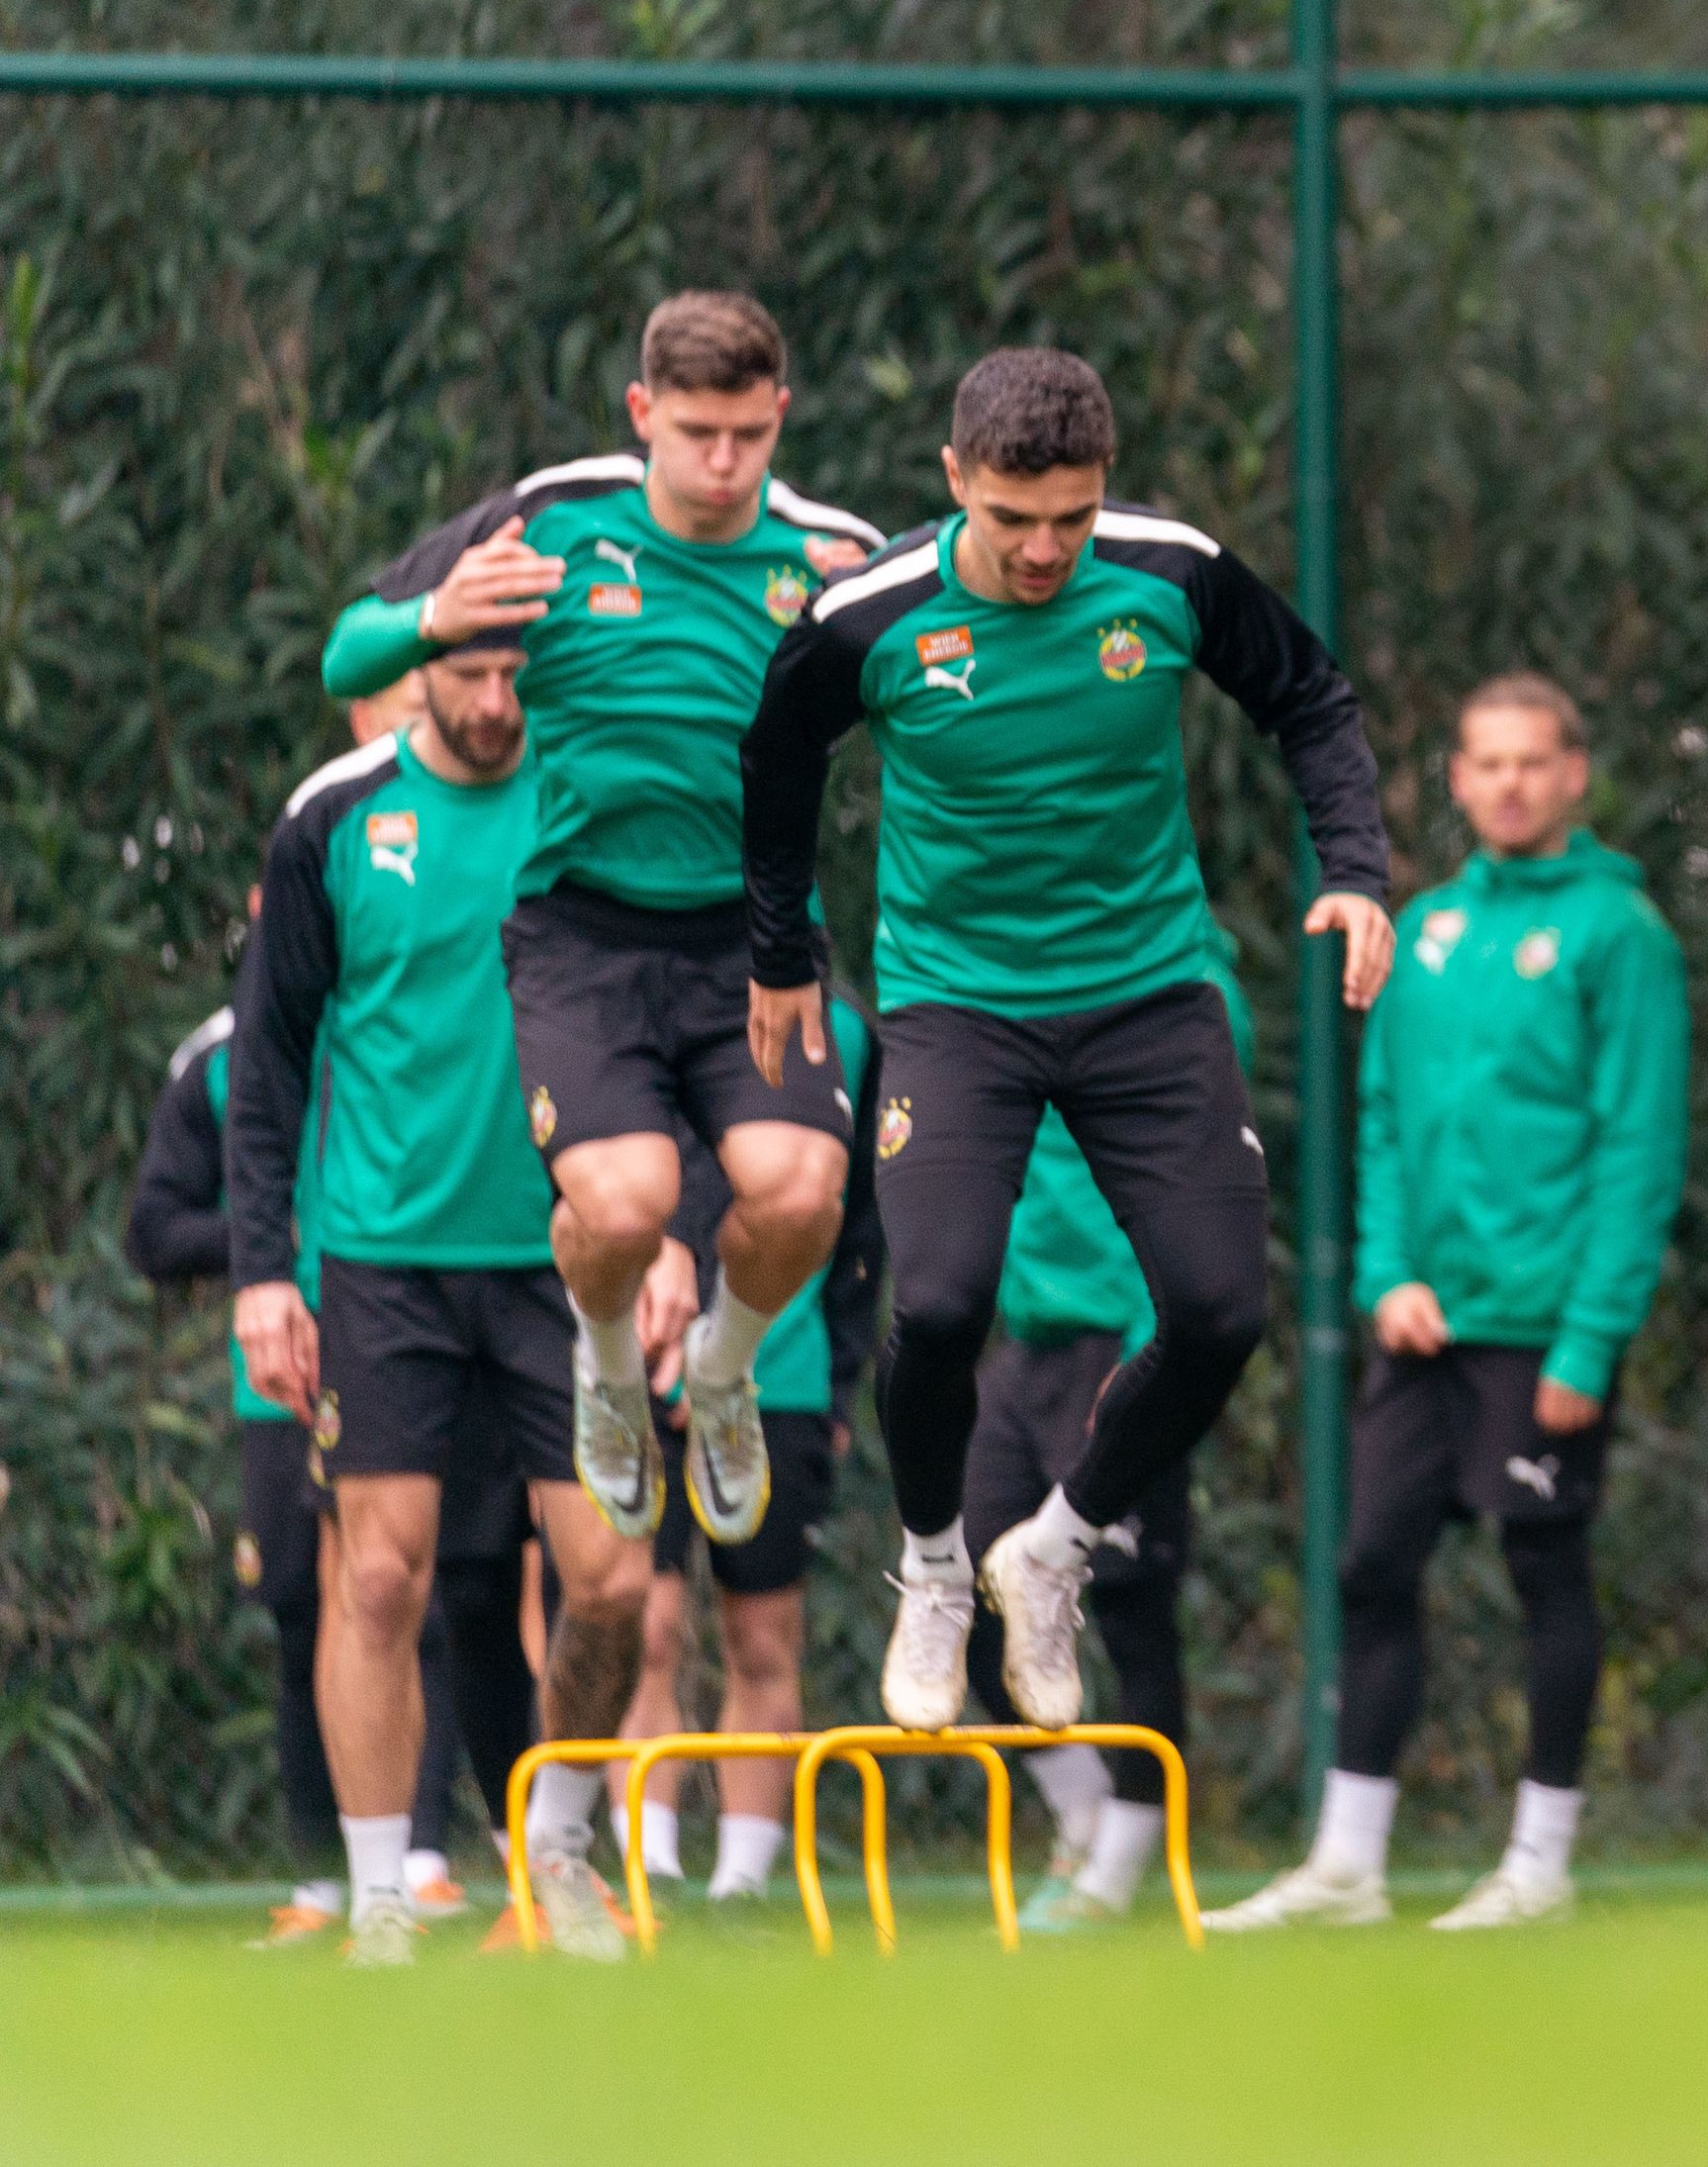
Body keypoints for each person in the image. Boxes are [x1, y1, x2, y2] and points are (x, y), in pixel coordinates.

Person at [737, 346, 1393, 1742]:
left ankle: (1054, 1547)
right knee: (941, 1303)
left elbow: (1309, 697)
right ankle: (934, 1568)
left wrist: (1356, 870)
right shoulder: (870, 617)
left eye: (1073, 518)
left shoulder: (1170, 573)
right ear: (954, 479)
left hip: (1146, 993)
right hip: (958, 1006)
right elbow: (778, 762)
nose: (1046, 549)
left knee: (1219, 1311)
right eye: (1014, 517)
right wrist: (782, 950)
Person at [321, 292, 886, 1570]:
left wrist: (881, 640)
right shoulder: (556, 520)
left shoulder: (835, 555)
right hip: (584, 935)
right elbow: (348, 656)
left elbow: (962, 683)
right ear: (643, 414)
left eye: (749, 434)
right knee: (625, 1210)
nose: (724, 463)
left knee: (802, 1191)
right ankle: (609, 1364)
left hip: (758, 938)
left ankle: (725, 1373)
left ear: (780, 415)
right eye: (695, 433)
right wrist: (434, 618)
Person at [1210, 675, 1686, 1934]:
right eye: (1488, 762)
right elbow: (1382, 1122)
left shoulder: (1620, 933)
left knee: (1543, 1571)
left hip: (1544, 1328)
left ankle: (1540, 1865)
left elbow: (1639, 1151)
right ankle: (1347, 1867)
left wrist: (1590, 1339)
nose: (1510, 784)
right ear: (1459, 780)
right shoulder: (1421, 931)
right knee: (1371, 1566)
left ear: (1574, 774)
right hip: (1424, 1326)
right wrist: (1388, 1278)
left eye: (1533, 761)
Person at [226, 635, 649, 1964]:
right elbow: (269, 1061)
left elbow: (670, 1016)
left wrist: (678, 1230)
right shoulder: (337, 816)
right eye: (466, 674)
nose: (493, 701)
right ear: (419, 668)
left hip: (565, 1259)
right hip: (383, 1262)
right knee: (376, 1578)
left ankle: (556, 1856)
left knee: (612, 1581)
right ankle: (380, 1902)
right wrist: (262, 1274)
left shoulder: (593, 797)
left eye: (516, 673)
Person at [125, 877, 493, 1944]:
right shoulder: (219, 1058)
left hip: (414, 1354)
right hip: (282, 1378)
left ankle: (421, 1862)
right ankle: (319, 1883)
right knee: (302, 1611)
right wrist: (267, 1247)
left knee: (409, 1594)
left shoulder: (411, 1022)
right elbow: (154, 1229)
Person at [962, 981, 1253, 1933]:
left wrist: (1149, 1346)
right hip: (1026, 1347)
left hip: (1128, 1342)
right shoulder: (1007, 974)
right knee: (963, 1592)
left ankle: (1120, 1868)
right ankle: (1082, 1812)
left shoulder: (1197, 992)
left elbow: (1204, 1189)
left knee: (1132, 1612)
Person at [617, 993, 883, 1907]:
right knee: (646, 1628)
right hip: (643, 1366)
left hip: (784, 1380)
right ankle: (648, 1871)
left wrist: (839, 1380)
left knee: (763, 1638)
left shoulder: (844, 1033)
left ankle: (742, 1888)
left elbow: (860, 1224)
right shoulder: (629, 1000)